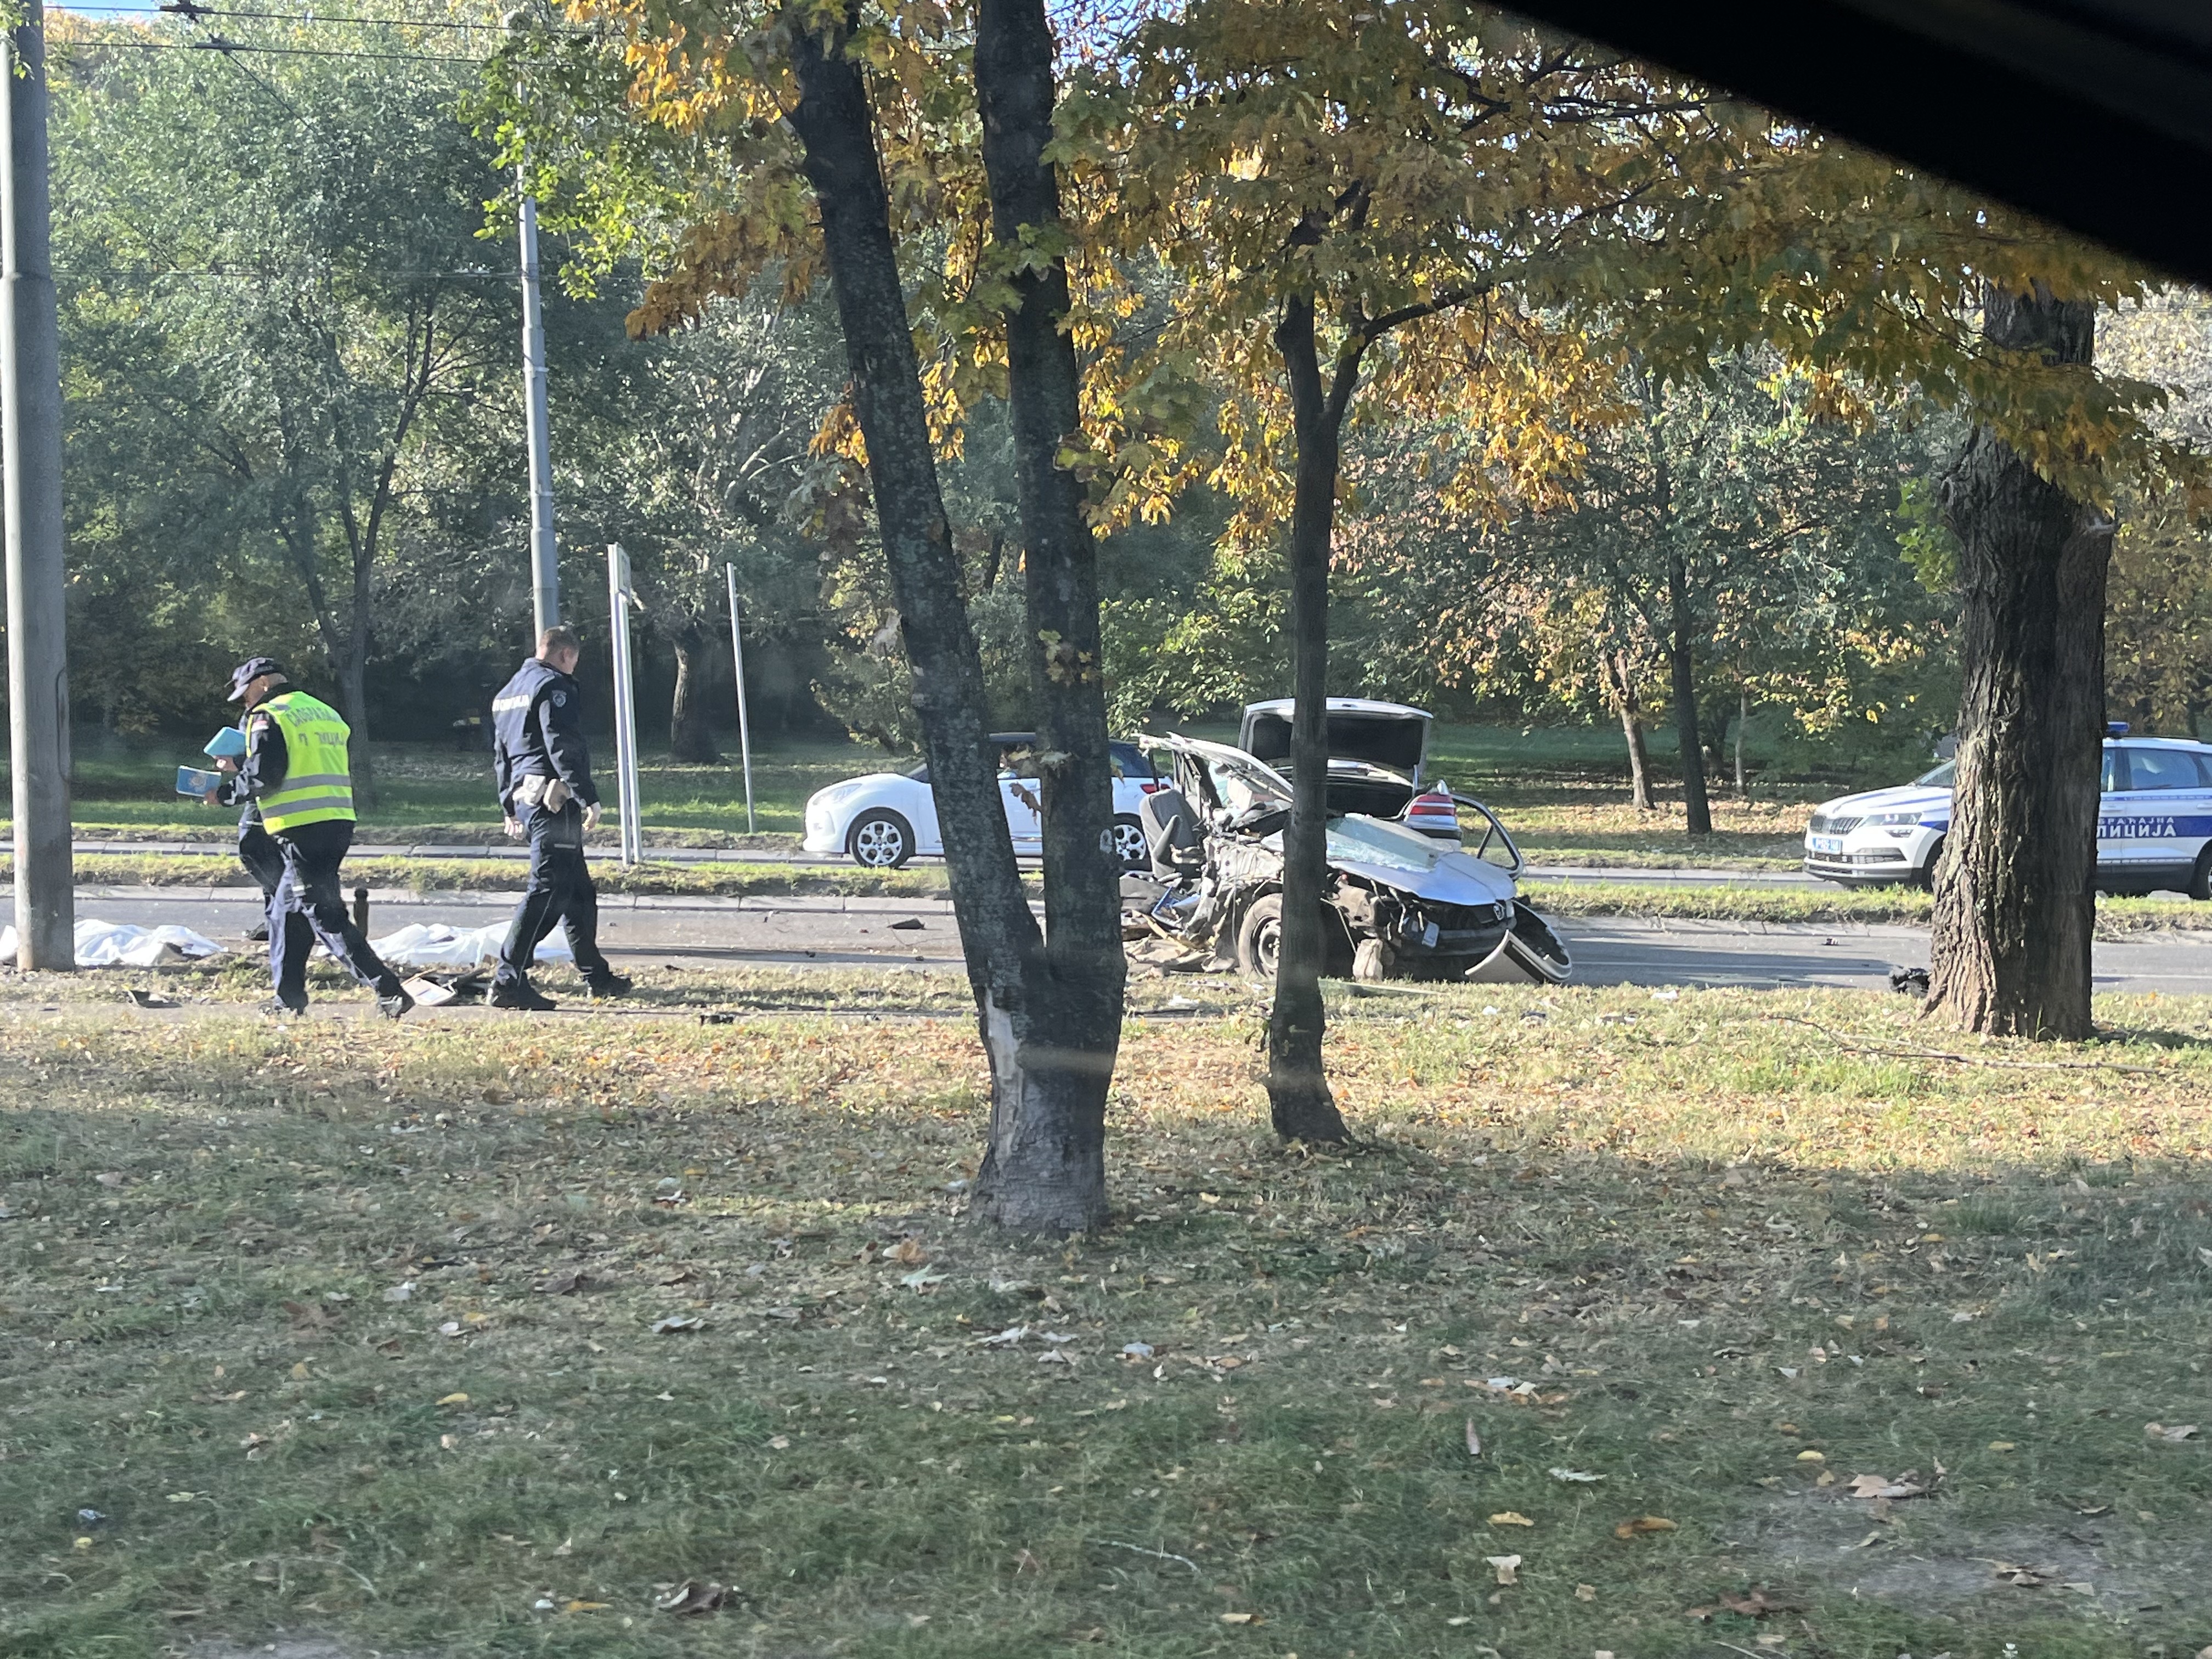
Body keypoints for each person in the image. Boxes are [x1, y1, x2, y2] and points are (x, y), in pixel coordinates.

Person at [206, 658, 413, 1019]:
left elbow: (264, 776)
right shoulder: (324, 712)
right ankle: (288, 1001)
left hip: (300, 825)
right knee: (288, 911)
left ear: (264, 683)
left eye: (246, 694)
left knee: (325, 914)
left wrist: (222, 795)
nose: (245, 703)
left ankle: (389, 990)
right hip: (336, 819)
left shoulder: (268, 715)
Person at [489, 627, 631, 1010]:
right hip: (555, 800)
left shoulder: (507, 693)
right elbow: (561, 742)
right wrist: (588, 796)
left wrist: (508, 804)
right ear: (566, 655)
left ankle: (596, 976)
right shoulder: (555, 687)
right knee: (547, 889)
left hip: (526, 797)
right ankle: (508, 979)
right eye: (574, 660)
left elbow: (502, 756)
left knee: (579, 892)